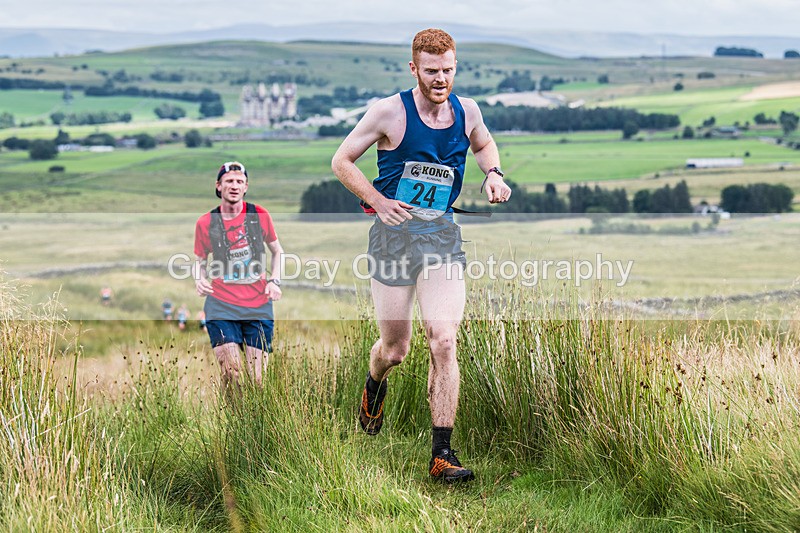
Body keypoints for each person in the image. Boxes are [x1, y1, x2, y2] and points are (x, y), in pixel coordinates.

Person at [331, 28, 511, 483]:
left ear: (456, 66)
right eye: (431, 71)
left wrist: (493, 172)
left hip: (441, 237)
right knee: (395, 350)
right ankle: (374, 385)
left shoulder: (467, 111)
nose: (441, 79)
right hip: (392, 240)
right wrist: (378, 201)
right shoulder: (389, 112)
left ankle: (442, 454)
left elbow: (483, 143)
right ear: (414, 68)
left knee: (443, 339)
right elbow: (341, 161)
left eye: (448, 70)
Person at [193, 161, 283, 389]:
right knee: (231, 373)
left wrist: (274, 281)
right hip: (221, 305)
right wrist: (199, 278)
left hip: (258, 306)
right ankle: (233, 413)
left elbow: (277, 251)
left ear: (246, 187)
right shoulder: (205, 222)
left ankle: (254, 414)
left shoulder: (259, 214)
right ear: (218, 186)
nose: (234, 186)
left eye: (239, 182)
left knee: (258, 381)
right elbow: (199, 261)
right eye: (229, 181)